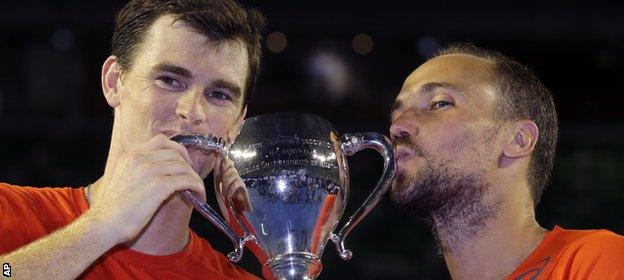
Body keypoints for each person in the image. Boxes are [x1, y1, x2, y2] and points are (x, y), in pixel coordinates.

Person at [0, 0, 264, 279]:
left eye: (219, 95)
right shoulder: (8, 211)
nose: (192, 111)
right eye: (170, 80)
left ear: (238, 122)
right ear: (114, 82)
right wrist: (99, 228)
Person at [388, 43, 624, 279]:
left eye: (440, 103)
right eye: (397, 113)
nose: (397, 126)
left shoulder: (598, 260)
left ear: (519, 140)